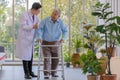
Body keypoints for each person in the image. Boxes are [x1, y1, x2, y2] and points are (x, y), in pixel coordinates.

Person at [36, 8, 68, 79]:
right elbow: (39, 29)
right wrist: (39, 37)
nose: (53, 15)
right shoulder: (45, 20)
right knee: (47, 58)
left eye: (55, 14)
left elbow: (65, 31)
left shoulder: (61, 22)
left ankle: (53, 72)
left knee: (56, 58)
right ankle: (46, 74)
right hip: (45, 42)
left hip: (56, 43)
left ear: (58, 16)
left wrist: (63, 39)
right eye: (53, 13)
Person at [15, 2, 42, 79]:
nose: (39, 13)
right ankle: (26, 73)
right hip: (24, 39)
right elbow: (23, 26)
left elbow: (37, 28)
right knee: (25, 56)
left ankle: (30, 72)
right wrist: (33, 26)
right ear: (34, 9)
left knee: (30, 56)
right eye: (38, 11)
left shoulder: (36, 17)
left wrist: (38, 37)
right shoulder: (24, 15)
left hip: (31, 40)